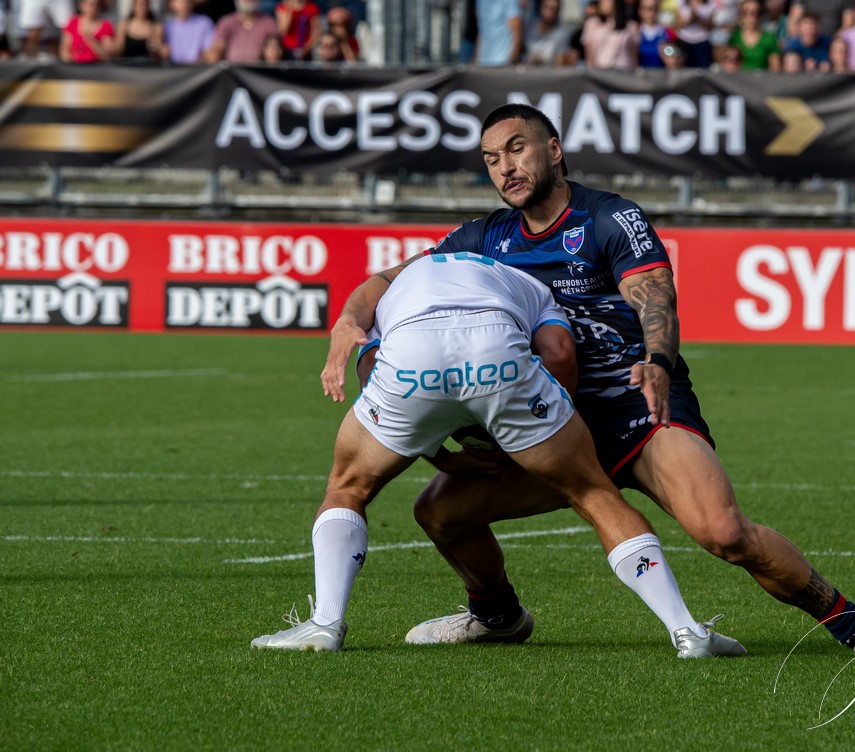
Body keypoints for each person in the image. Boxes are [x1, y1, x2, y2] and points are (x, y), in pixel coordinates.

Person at [321, 103, 855, 664]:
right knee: (441, 513)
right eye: (490, 159)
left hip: (633, 404)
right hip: (549, 419)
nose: (504, 168)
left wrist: (657, 361)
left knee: (724, 533)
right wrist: (352, 321)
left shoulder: (608, 217)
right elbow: (393, 279)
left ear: (554, 150)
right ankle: (497, 617)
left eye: (516, 148)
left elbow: (657, 299)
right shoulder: (485, 236)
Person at [253, 251, 746, 658]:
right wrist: (545, 425)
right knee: (593, 493)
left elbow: (374, 363)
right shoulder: (527, 284)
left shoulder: (405, 277)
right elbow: (557, 352)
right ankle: (687, 631)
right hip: (494, 348)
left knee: (348, 487)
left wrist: (435, 453)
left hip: (410, 357)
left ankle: (326, 624)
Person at [204, 0, 276, 63]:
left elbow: (276, 52)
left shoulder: (269, 23)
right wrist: (215, 53)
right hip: (232, 74)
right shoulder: (226, 23)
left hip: (261, 74)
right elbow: (217, 50)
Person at [581, 0, 639, 68]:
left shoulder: (631, 26)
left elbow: (633, 55)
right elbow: (589, 54)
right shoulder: (592, 24)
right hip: (600, 71)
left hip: (623, 71)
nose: (601, 2)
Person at [728, 0, 781, 70]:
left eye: (758, 13)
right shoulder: (734, 37)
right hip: (738, 79)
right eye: (748, 13)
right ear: (742, 15)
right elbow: (728, 66)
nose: (754, 17)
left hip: (762, 79)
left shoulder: (769, 38)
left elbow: (776, 69)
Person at [475, 0, 522, 66]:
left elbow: (517, 33)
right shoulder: (480, 1)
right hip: (483, 62)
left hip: (503, 63)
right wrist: (476, 59)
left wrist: (511, 60)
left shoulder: (510, 1)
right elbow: (482, 31)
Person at [673, 0, 716, 67]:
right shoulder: (681, 2)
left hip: (702, 41)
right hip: (683, 40)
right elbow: (677, 24)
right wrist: (689, 20)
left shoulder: (711, 4)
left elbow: (710, 27)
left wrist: (698, 19)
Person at [635, 0, 676, 67]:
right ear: (640, 11)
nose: (651, 13)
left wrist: (664, 54)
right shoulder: (635, 32)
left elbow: (673, 62)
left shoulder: (667, 33)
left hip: (660, 75)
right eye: (647, 9)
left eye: (654, 8)